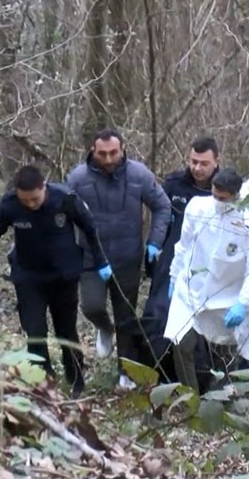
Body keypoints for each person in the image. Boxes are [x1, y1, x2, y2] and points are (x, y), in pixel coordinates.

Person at [0, 165, 110, 397]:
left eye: (35, 199)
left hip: (64, 276)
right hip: (29, 278)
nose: (30, 204)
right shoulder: (9, 206)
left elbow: (90, 228)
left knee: (66, 331)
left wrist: (101, 261)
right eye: (25, 200)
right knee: (34, 331)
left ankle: (76, 379)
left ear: (44, 188)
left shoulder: (65, 199)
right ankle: (43, 381)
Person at [66, 129, 172, 388]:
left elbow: (162, 206)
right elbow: (63, 213)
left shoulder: (139, 174)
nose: (109, 158)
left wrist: (155, 242)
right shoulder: (78, 178)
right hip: (91, 257)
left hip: (127, 257)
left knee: (126, 316)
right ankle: (104, 327)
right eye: (102, 153)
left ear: (122, 149)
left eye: (113, 152)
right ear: (93, 151)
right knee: (91, 306)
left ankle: (125, 372)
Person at [164, 168, 249, 392]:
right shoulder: (197, 207)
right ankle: (190, 398)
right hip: (191, 287)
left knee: (228, 347)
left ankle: (226, 396)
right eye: (214, 195)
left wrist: (244, 302)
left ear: (235, 195)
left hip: (229, 293)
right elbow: (183, 245)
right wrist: (174, 276)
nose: (217, 201)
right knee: (181, 342)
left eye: (222, 198)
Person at [132, 137, 220, 382]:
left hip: (208, 262)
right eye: (193, 161)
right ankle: (156, 373)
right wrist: (154, 245)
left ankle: (201, 376)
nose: (197, 168)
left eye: (204, 163)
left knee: (202, 321)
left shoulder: (225, 189)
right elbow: (161, 216)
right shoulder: (175, 184)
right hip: (172, 258)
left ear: (216, 162)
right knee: (159, 313)